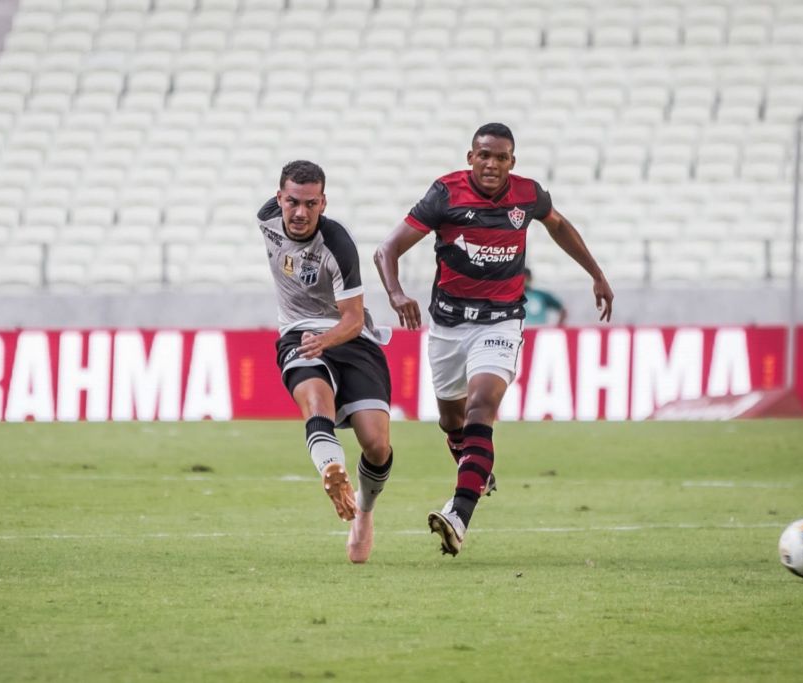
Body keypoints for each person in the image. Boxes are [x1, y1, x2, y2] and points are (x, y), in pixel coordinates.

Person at [373, 123, 614, 557]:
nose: (491, 164)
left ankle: (458, 514)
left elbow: (558, 225)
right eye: (484, 155)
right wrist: (395, 293)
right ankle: (476, 468)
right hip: (447, 325)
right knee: (452, 423)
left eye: (500, 157)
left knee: (481, 405)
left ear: (512, 162)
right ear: (470, 157)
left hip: (500, 322)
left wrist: (595, 273)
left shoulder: (527, 195)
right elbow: (385, 250)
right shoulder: (445, 195)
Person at [258, 159, 394, 564]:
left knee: (377, 444)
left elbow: (353, 319)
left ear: (324, 203)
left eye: (311, 204)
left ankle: (363, 515)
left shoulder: (338, 245)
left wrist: (326, 340)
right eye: (293, 202)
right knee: (316, 403)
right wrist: (309, 342)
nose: (300, 213)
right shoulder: (266, 218)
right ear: (279, 198)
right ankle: (332, 470)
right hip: (298, 334)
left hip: (350, 337)